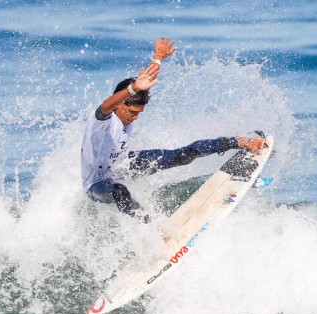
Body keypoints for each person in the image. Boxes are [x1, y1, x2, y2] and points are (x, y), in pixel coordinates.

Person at [80, 37, 267, 221]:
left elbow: (146, 82)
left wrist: (159, 57)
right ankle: (150, 229)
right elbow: (104, 107)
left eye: (139, 113)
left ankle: (238, 142)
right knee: (120, 191)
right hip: (96, 184)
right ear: (120, 104)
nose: (135, 117)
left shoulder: (129, 110)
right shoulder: (101, 122)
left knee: (183, 155)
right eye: (132, 112)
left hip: (122, 166)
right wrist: (133, 88)